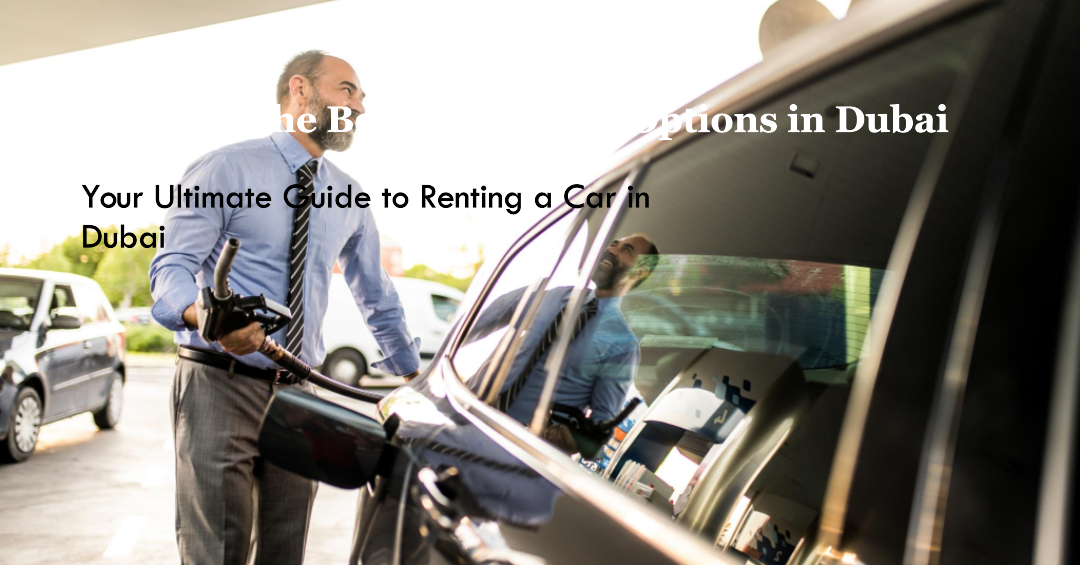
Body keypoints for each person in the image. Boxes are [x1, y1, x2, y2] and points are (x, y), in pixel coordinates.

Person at [149, 50, 420, 564]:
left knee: (285, 552)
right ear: (301, 90)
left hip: (297, 397)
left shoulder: (349, 197)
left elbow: (377, 295)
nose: (359, 106)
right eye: (348, 90)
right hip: (216, 385)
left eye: (361, 96)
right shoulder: (226, 167)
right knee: (217, 553)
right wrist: (208, 318)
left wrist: (413, 375)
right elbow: (169, 272)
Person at [465, 234, 659, 451]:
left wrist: (566, 439)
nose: (612, 250)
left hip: (516, 448)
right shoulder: (553, 297)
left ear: (639, 272)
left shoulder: (622, 345)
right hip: (467, 410)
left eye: (626, 250)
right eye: (613, 244)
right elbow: (487, 318)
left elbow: (599, 426)